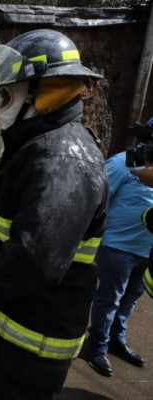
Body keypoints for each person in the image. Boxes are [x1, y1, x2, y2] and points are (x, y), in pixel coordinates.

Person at [0, 29, 108, 399]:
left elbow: (34, 261)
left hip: (33, 340)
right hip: (14, 323)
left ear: (44, 89)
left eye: (7, 91)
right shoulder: (38, 144)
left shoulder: (62, 160)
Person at [84, 151, 153, 377]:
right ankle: (97, 346)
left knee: (130, 298)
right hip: (117, 246)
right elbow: (98, 196)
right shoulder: (123, 162)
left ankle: (116, 339)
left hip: (147, 250)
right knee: (110, 298)